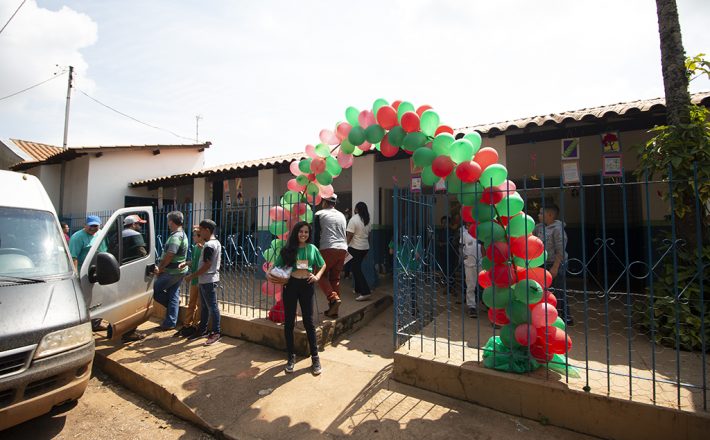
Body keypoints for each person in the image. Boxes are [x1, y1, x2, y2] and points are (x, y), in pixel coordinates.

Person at [267, 221, 326, 375]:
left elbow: (323, 264)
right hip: (291, 286)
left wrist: (317, 276)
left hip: (307, 285)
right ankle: (290, 357)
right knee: (289, 322)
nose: (303, 234)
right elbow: (274, 267)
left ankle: (315, 357)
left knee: (308, 321)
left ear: (309, 234)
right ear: (296, 233)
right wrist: (269, 273)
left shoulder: (312, 248)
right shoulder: (288, 249)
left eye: (306, 232)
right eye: (301, 232)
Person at [533, 204, 572, 325]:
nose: (538, 216)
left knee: (559, 290)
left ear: (550, 215)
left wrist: (555, 267)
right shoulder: (539, 227)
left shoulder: (558, 229)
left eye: (541, 213)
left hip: (556, 263)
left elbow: (560, 249)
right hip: (542, 263)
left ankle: (566, 316)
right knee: (543, 291)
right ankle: (547, 315)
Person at [186, 219, 222, 345]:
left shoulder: (209, 245)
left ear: (207, 230)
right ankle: (203, 329)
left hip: (208, 280)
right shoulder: (213, 243)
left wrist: (192, 276)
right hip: (206, 280)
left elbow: (207, 265)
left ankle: (216, 332)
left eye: (201, 230)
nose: (199, 233)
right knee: (205, 307)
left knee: (212, 307)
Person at [153, 211, 189, 331]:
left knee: (155, 290)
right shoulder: (181, 234)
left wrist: (160, 268)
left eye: (168, 221)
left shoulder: (175, 237)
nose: (168, 223)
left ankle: (171, 312)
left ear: (171, 222)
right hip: (179, 271)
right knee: (173, 294)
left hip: (172, 272)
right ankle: (170, 322)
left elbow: (170, 255)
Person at [314, 194, 347, 318]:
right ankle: (334, 310)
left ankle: (333, 299)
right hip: (342, 249)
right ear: (334, 203)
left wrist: (315, 251)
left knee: (320, 273)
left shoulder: (320, 214)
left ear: (323, 202)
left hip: (327, 248)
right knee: (335, 278)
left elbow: (316, 234)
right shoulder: (342, 215)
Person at [174, 225, 204, 338]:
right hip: (194, 280)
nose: (193, 237)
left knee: (199, 304)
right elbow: (194, 261)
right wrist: (186, 263)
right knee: (191, 303)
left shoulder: (204, 248)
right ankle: (187, 324)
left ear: (200, 236)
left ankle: (195, 325)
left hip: (200, 280)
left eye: (195, 235)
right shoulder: (196, 247)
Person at [346, 201, 372, 301]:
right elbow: (369, 236)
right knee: (356, 268)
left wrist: (345, 246)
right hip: (365, 248)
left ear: (356, 209)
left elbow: (350, 235)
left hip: (355, 248)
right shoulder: (368, 220)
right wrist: (367, 249)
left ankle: (365, 292)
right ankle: (357, 289)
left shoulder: (353, 219)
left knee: (356, 269)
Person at [460, 222, 482, 318]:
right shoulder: (464, 234)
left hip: (482, 263)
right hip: (469, 263)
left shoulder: (480, 233)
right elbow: (461, 246)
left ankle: (487, 304)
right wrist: (462, 255)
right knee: (471, 285)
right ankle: (471, 306)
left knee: (485, 285)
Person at [342, 208, 353, 279]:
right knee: (348, 259)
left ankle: (347, 274)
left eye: (348, 212)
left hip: (348, 242)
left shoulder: (349, 221)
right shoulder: (348, 221)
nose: (347, 214)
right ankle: (347, 274)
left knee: (347, 259)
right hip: (347, 242)